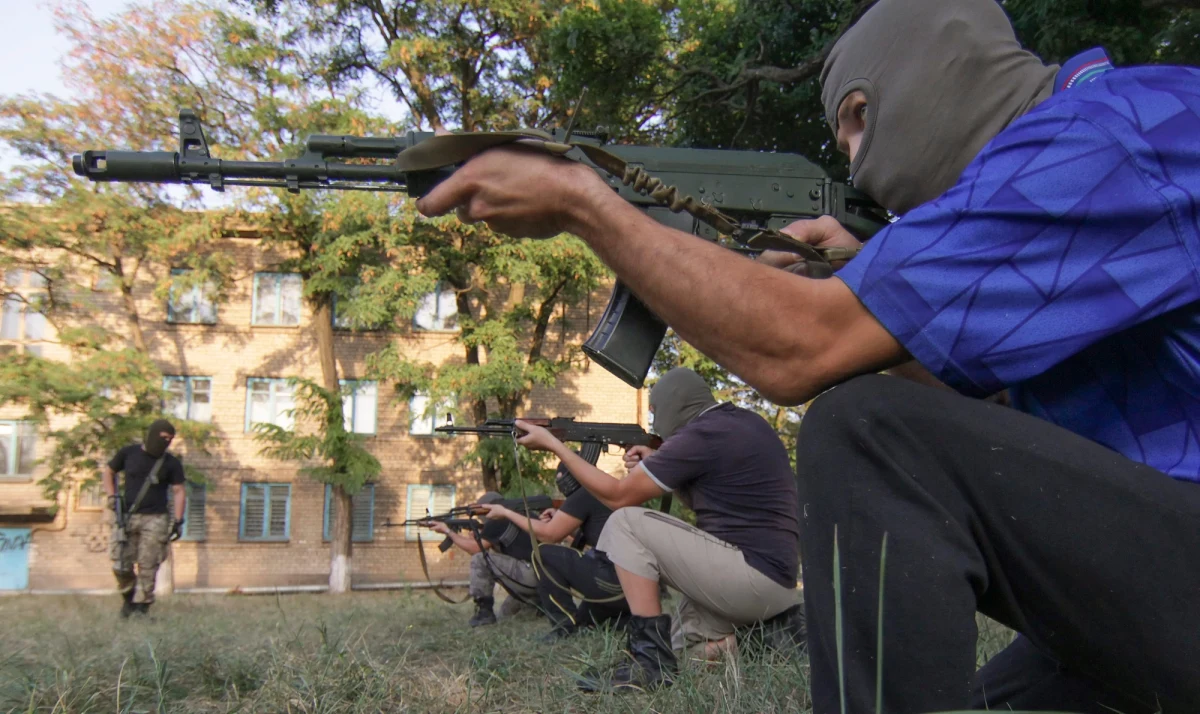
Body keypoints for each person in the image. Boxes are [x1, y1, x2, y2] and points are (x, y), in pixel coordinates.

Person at [414, 0, 1200, 711]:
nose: (855, 165)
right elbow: (982, 421)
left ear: (876, 99)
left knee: (865, 432)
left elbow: (801, 353)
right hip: (1154, 586)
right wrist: (873, 285)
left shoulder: (1100, 137)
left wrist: (586, 204)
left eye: (851, 129)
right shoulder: (1106, 139)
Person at [512, 367, 802, 690]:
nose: (654, 423)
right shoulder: (739, 424)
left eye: (655, 412)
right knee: (679, 650)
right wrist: (660, 462)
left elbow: (619, 496)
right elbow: (719, 501)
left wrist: (555, 446)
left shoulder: (703, 433)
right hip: (771, 584)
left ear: (674, 403)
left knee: (625, 523)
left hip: (751, 575)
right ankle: (769, 635)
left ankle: (648, 663)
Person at [479, 458, 630, 641]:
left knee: (543, 554)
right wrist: (561, 518)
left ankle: (563, 627)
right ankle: (623, 620)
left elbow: (548, 536)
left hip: (613, 584)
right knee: (585, 621)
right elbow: (595, 534)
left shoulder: (585, 494)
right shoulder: (606, 491)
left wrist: (506, 513)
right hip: (631, 588)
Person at [102, 419, 186, 617]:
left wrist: (178, 520)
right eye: (163, 437)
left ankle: (142, 608)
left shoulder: (171, 463)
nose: (167, 442)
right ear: (153, 434)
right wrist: (112, 496)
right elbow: (109, 471)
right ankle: (129, 598)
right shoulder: (128, 453)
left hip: (156, 518)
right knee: (120, 563)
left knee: (149, 565)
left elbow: (179, 490)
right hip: (128, 516)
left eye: (170, 439)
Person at [428, 491, 540, 627]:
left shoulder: (498, 521)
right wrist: (478, 539)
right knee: (505, 616)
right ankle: (541, 608)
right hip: (543, 582)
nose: (481, 518)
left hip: (531, 577)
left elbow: (476, 552)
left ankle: (484, 612)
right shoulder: (521, 516)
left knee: (480, 558)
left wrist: (448, 532)